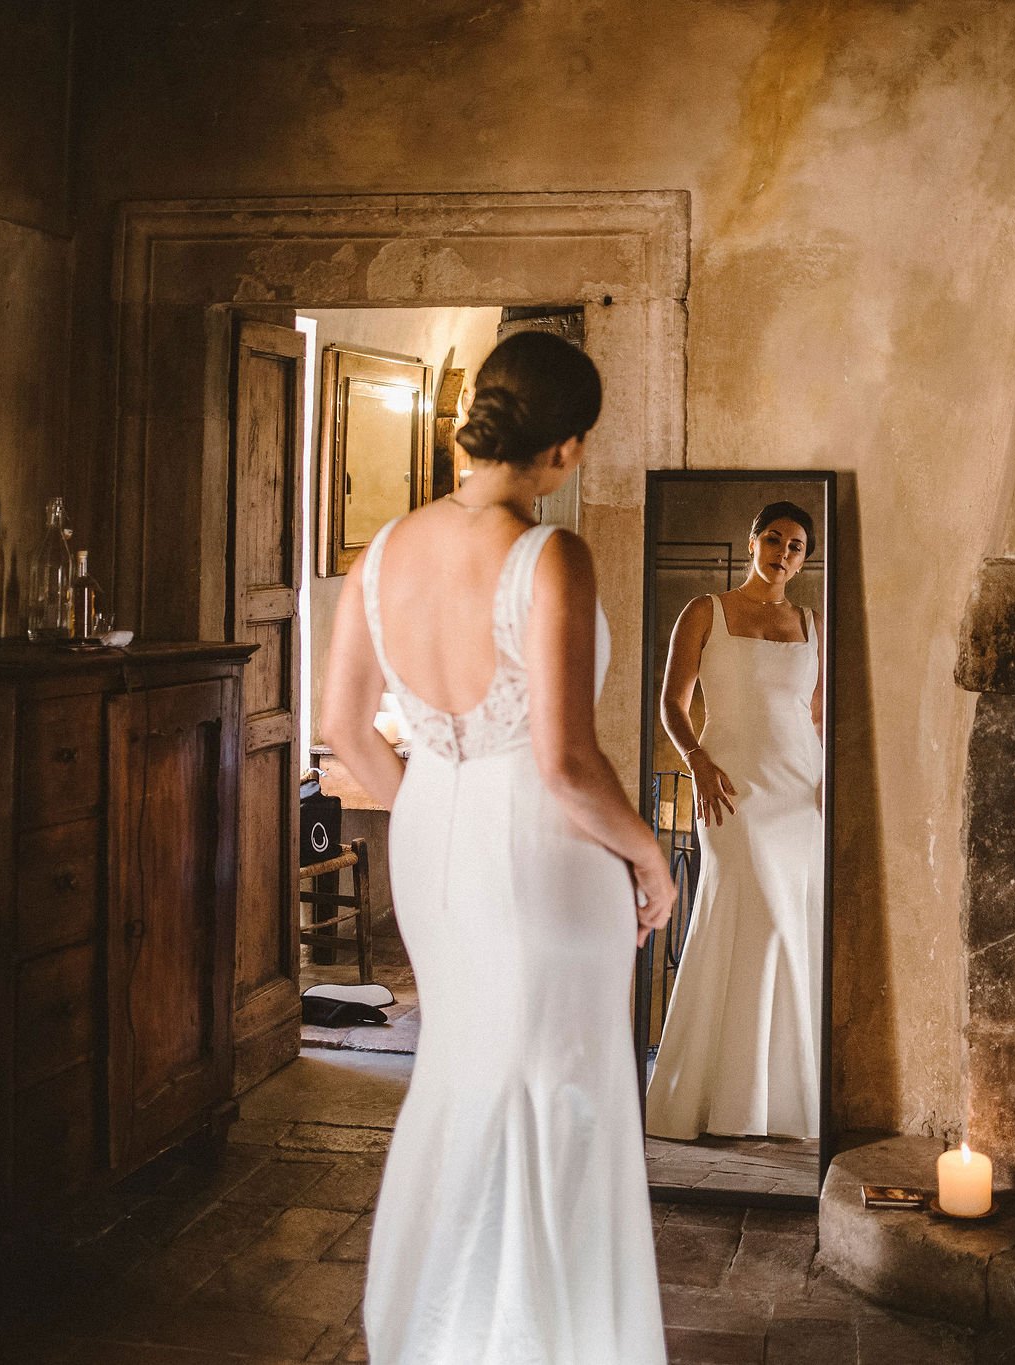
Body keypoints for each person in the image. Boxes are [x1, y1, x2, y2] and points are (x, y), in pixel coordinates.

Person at [320, 330, 672, 1365]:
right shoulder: (548, 556)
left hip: (433, 845)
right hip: (541, 858)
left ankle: (445, 1334)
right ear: (565, 448)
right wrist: (649, 856)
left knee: (465, 1070)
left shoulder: (381, 554)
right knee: (553, 1082)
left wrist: (441, 806)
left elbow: (343, 729)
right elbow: (565, 761)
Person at [644, 501, 825, 1142]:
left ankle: (774, 1102)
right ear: (752, 542)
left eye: (796, 546)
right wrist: (696, 761)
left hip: (800, 794)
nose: (783, 553)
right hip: (731, 789)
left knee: (786, 931)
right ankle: (721, 1098)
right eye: (773, 539)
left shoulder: (811, 623)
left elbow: (816, 716)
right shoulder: (706, 611)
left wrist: (828, 783)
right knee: (752, 919)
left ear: (804, 559)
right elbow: (672, 703)